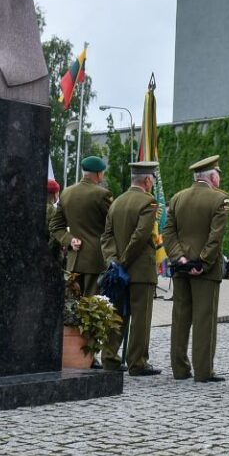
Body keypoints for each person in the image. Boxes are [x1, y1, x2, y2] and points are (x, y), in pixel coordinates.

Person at [164, 155, 229, 383]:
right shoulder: (219, 200)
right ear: (212, 176)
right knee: (204, 320)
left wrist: (180, 258)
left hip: (180, 269)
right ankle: (203, 371)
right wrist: (202, 262)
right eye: (218, 175)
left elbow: (168, 233)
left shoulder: (177, 198)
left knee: (180, 318)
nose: (219, 179)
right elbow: (215, 237)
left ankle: (179, 369)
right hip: (206, 271)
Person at [101, 160, 162, 376]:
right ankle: (137, 362)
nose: (152, 184)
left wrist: (113, 261)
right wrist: (124, 262)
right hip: (140, 271)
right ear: (147, 180)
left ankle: (109, 358)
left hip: (116, 270)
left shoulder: (116, 202)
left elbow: (106, 236)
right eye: (152, 181)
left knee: (116, 315)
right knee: (140, 318)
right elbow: (141, 235)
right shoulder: (149, 202)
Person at [47, 156, 113, 296]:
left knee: (74, 307)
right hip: (96, 261)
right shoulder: (102, 194)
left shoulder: (66, 193)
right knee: (94, 308)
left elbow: (55, 225)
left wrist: (69, 240)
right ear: (98, 174)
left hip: (74, 260)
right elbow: (112, 225)